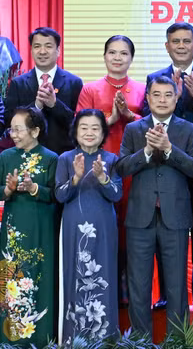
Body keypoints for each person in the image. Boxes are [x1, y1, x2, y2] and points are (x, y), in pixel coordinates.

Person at [142, 22, 193, 311]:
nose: (180, 45)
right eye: (174, 41)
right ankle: (166, 293)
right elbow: (145, 116)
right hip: (165, 166)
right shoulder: (155, 77)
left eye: (186, 41)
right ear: (167, 46)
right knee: (165, 232)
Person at [117, 76, 193, 336]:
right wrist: (144, 152)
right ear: (148, 98)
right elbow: (121, 167)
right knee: (139, 286)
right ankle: (141, 340)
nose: (163, 99)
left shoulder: (189, 130)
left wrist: (168, 150)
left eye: (168, 95)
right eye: (157, 94)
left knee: (176, 285)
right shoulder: (134, 129)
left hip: (174, 217)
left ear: (177, 100)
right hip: (139, 218)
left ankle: (177, 340)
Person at [75, 35, 146, 307]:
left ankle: (129, 291)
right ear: (104, 56)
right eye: (112, 53)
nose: (118, 58)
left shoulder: (142, 88)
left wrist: (129, 116)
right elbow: (79, 126)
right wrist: (111, 120)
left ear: (131, 58)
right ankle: (102, 288)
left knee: (131, 226)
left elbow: (151, 122)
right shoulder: (90, 89)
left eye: (124, 53)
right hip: (99, 166)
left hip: (131, 167)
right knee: (103, 225)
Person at [56, 109, 123, 342]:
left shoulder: (112, 160)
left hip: (104, 227)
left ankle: (104, 340)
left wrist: (103, 177)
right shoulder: (65, 159)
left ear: (103, 132)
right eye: (83, 127)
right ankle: (74, 339)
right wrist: (75, 177)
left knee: (103, 275)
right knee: (74, 275)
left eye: (95, 128)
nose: (89, 132)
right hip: (73, 227)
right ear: (75, 131)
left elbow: (116, 195)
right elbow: (60, 195)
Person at [0, 107, 58, 345]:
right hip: (13, 228)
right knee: (12, 279)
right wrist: (7, 190)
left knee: (40, 277)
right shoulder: (5, 157)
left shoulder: (51, 158)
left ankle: (41, 339)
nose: (13, 134)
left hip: (42, 228)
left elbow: (57, 194)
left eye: (18, 129)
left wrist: (35, 188)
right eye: (11, 129)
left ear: (35, 131)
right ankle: (11, 340)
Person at [4, 27, 83, 154]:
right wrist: (36, 106)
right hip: (26, 154)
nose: (42, 51)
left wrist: (54, 105)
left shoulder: (74, 82)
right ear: (31, 50)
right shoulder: (17, 83)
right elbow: (9, 121)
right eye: (37, 46)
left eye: (48, 46)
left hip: (62, 155)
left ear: (58, 50)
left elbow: (78, 124)